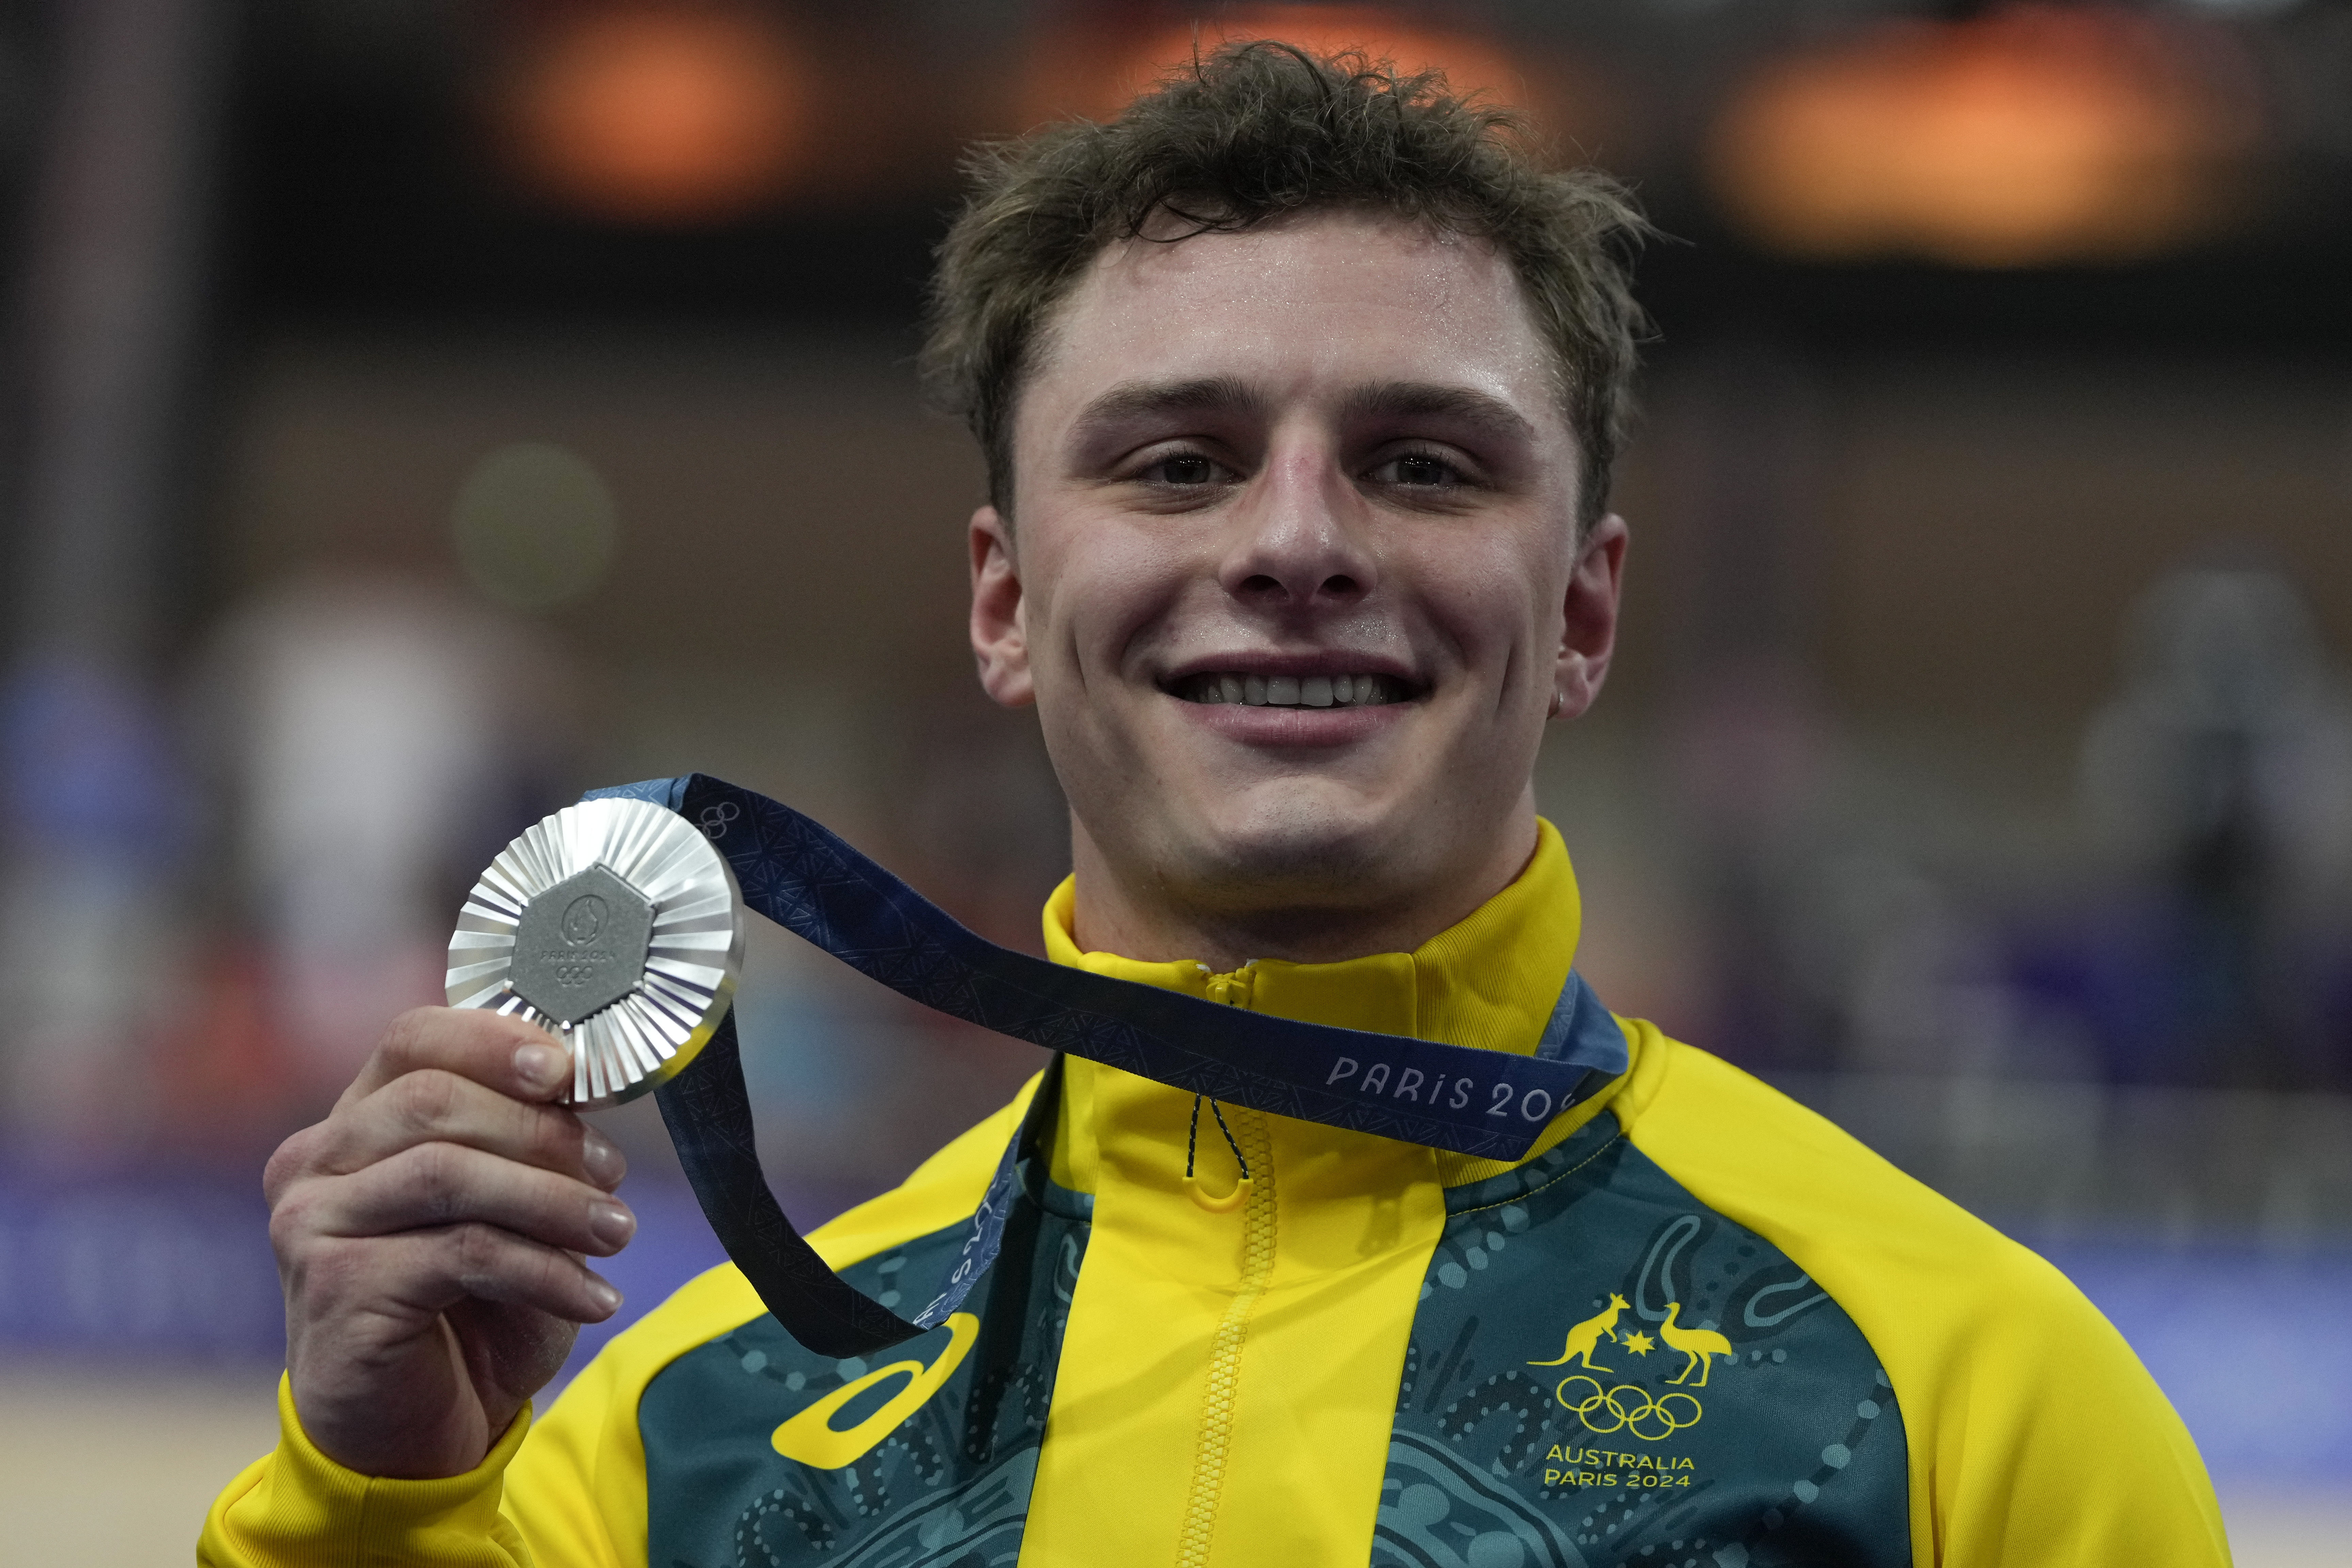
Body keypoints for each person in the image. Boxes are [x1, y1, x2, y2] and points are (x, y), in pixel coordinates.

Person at [202, 43, 2227, 1568]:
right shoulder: (679, 1444)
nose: (1295, 543)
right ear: (1005, 602)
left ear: (1586, 607)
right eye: (1176, 462)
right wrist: (372, 1504)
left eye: (1426, 464)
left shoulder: (1960, 1400)